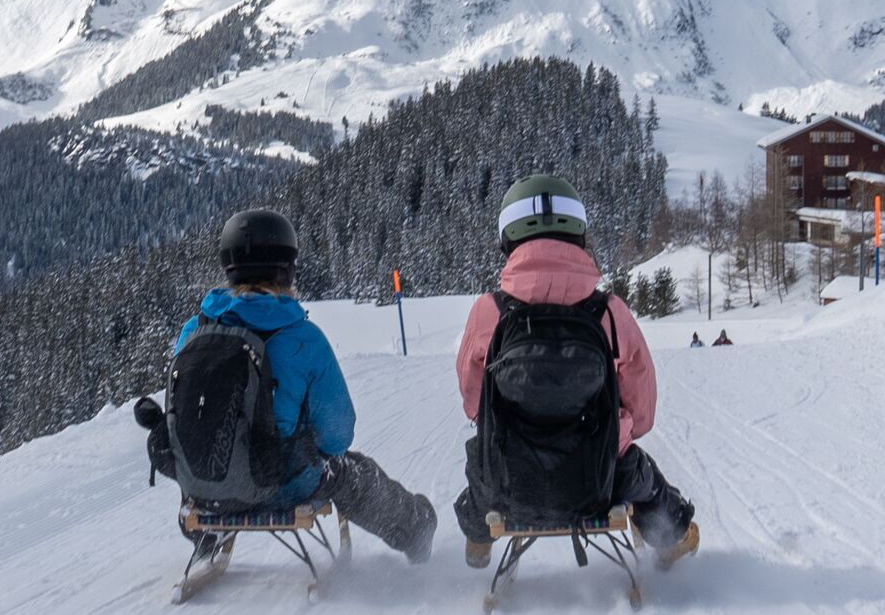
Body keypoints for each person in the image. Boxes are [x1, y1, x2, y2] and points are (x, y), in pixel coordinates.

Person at [139, 208, 437, 562]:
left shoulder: (193, 331)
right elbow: (338, 435)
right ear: (287, 267)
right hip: (281, 487)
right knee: (352, 472)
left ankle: (205, 534)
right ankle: (416, 530)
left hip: (201, 487)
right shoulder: (303, 339)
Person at [452, 174, 699, 570]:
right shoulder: (608, 312)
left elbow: (473, 401)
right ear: (578, 234)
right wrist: (619, 430)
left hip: (513, 484)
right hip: (595, 481)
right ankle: (673, 539)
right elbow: (642, 406)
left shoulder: (489, 311)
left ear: (508, 239)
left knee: (479, 463)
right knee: (640, 473)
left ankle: (478, 540)